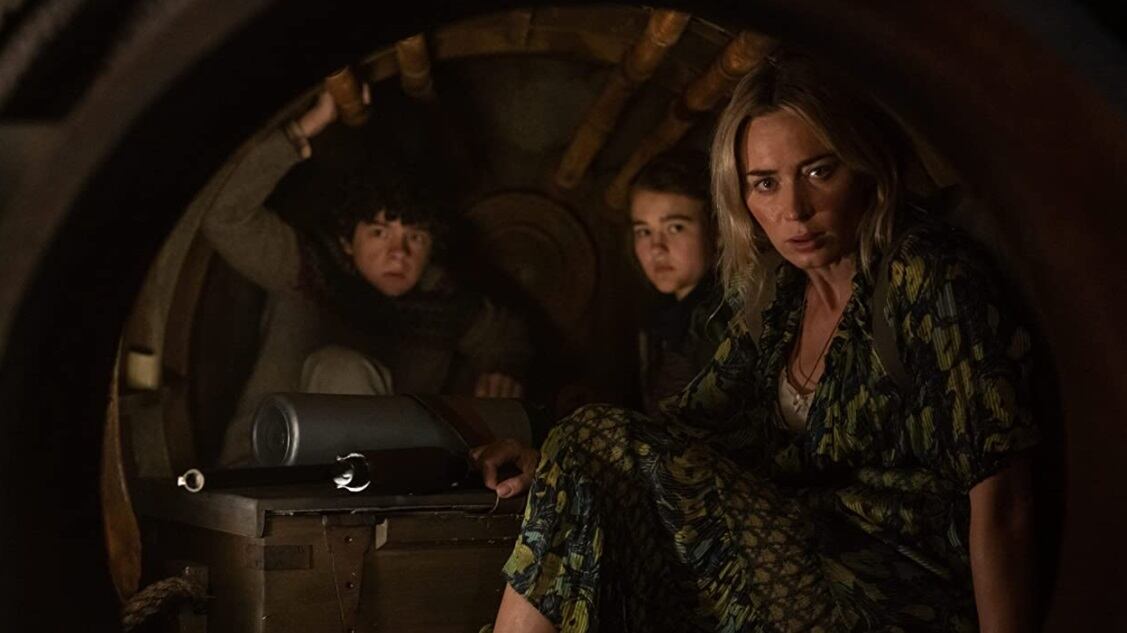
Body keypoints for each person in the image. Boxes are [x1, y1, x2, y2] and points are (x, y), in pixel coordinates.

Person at [475, 47, 1038, 632]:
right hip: (793, 571)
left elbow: (1005, 501)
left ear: (866, 166)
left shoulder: (926, 275)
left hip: (895, 593)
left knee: (595, 437)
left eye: (819, 172)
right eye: (765, 183)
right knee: (591, 451)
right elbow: (691, 429)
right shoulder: (779, 293)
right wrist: (555, 462)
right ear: (741, 197)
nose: (794, 209)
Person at [203, 90, 532, 467]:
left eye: (415, 238)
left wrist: (504, 367)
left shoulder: (445, 302)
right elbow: (224, 219)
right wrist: (304, 128)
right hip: (262, 474)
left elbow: (506, 337)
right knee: (342, 368)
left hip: (383, 484)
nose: (399, 252)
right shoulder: (305, 268)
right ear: (348, 241)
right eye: (380, 233)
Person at [628, 149, 728, 417]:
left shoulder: (721, 323)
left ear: (717, 231)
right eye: (644, 231)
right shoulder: (662, 317)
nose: (656, 248)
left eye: (675, 228)